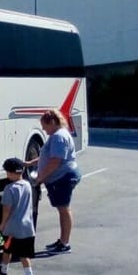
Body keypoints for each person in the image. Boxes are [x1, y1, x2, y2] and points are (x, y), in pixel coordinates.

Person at [26, 109, 81, 255]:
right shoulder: (57, 135)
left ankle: (65, 243)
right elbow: (47, 157)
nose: (43, 129)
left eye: (44, 126)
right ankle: (63, 241)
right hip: (61, 176)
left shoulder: (58, 137)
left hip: (62, 177)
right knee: (62, 209)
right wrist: (30, 163)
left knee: (64, 210)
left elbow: (55, 161)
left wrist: (40, 178)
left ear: (52, 122)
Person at [0, 157, 37, 275]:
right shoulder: (27, 184)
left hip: (13, 227)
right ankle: (4, 269)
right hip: (27, 226)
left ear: (11, 173)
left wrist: (2, 223)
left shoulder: (9, 188)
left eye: (7, 172)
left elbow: (7, 208)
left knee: (11, 249)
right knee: (14, 251)